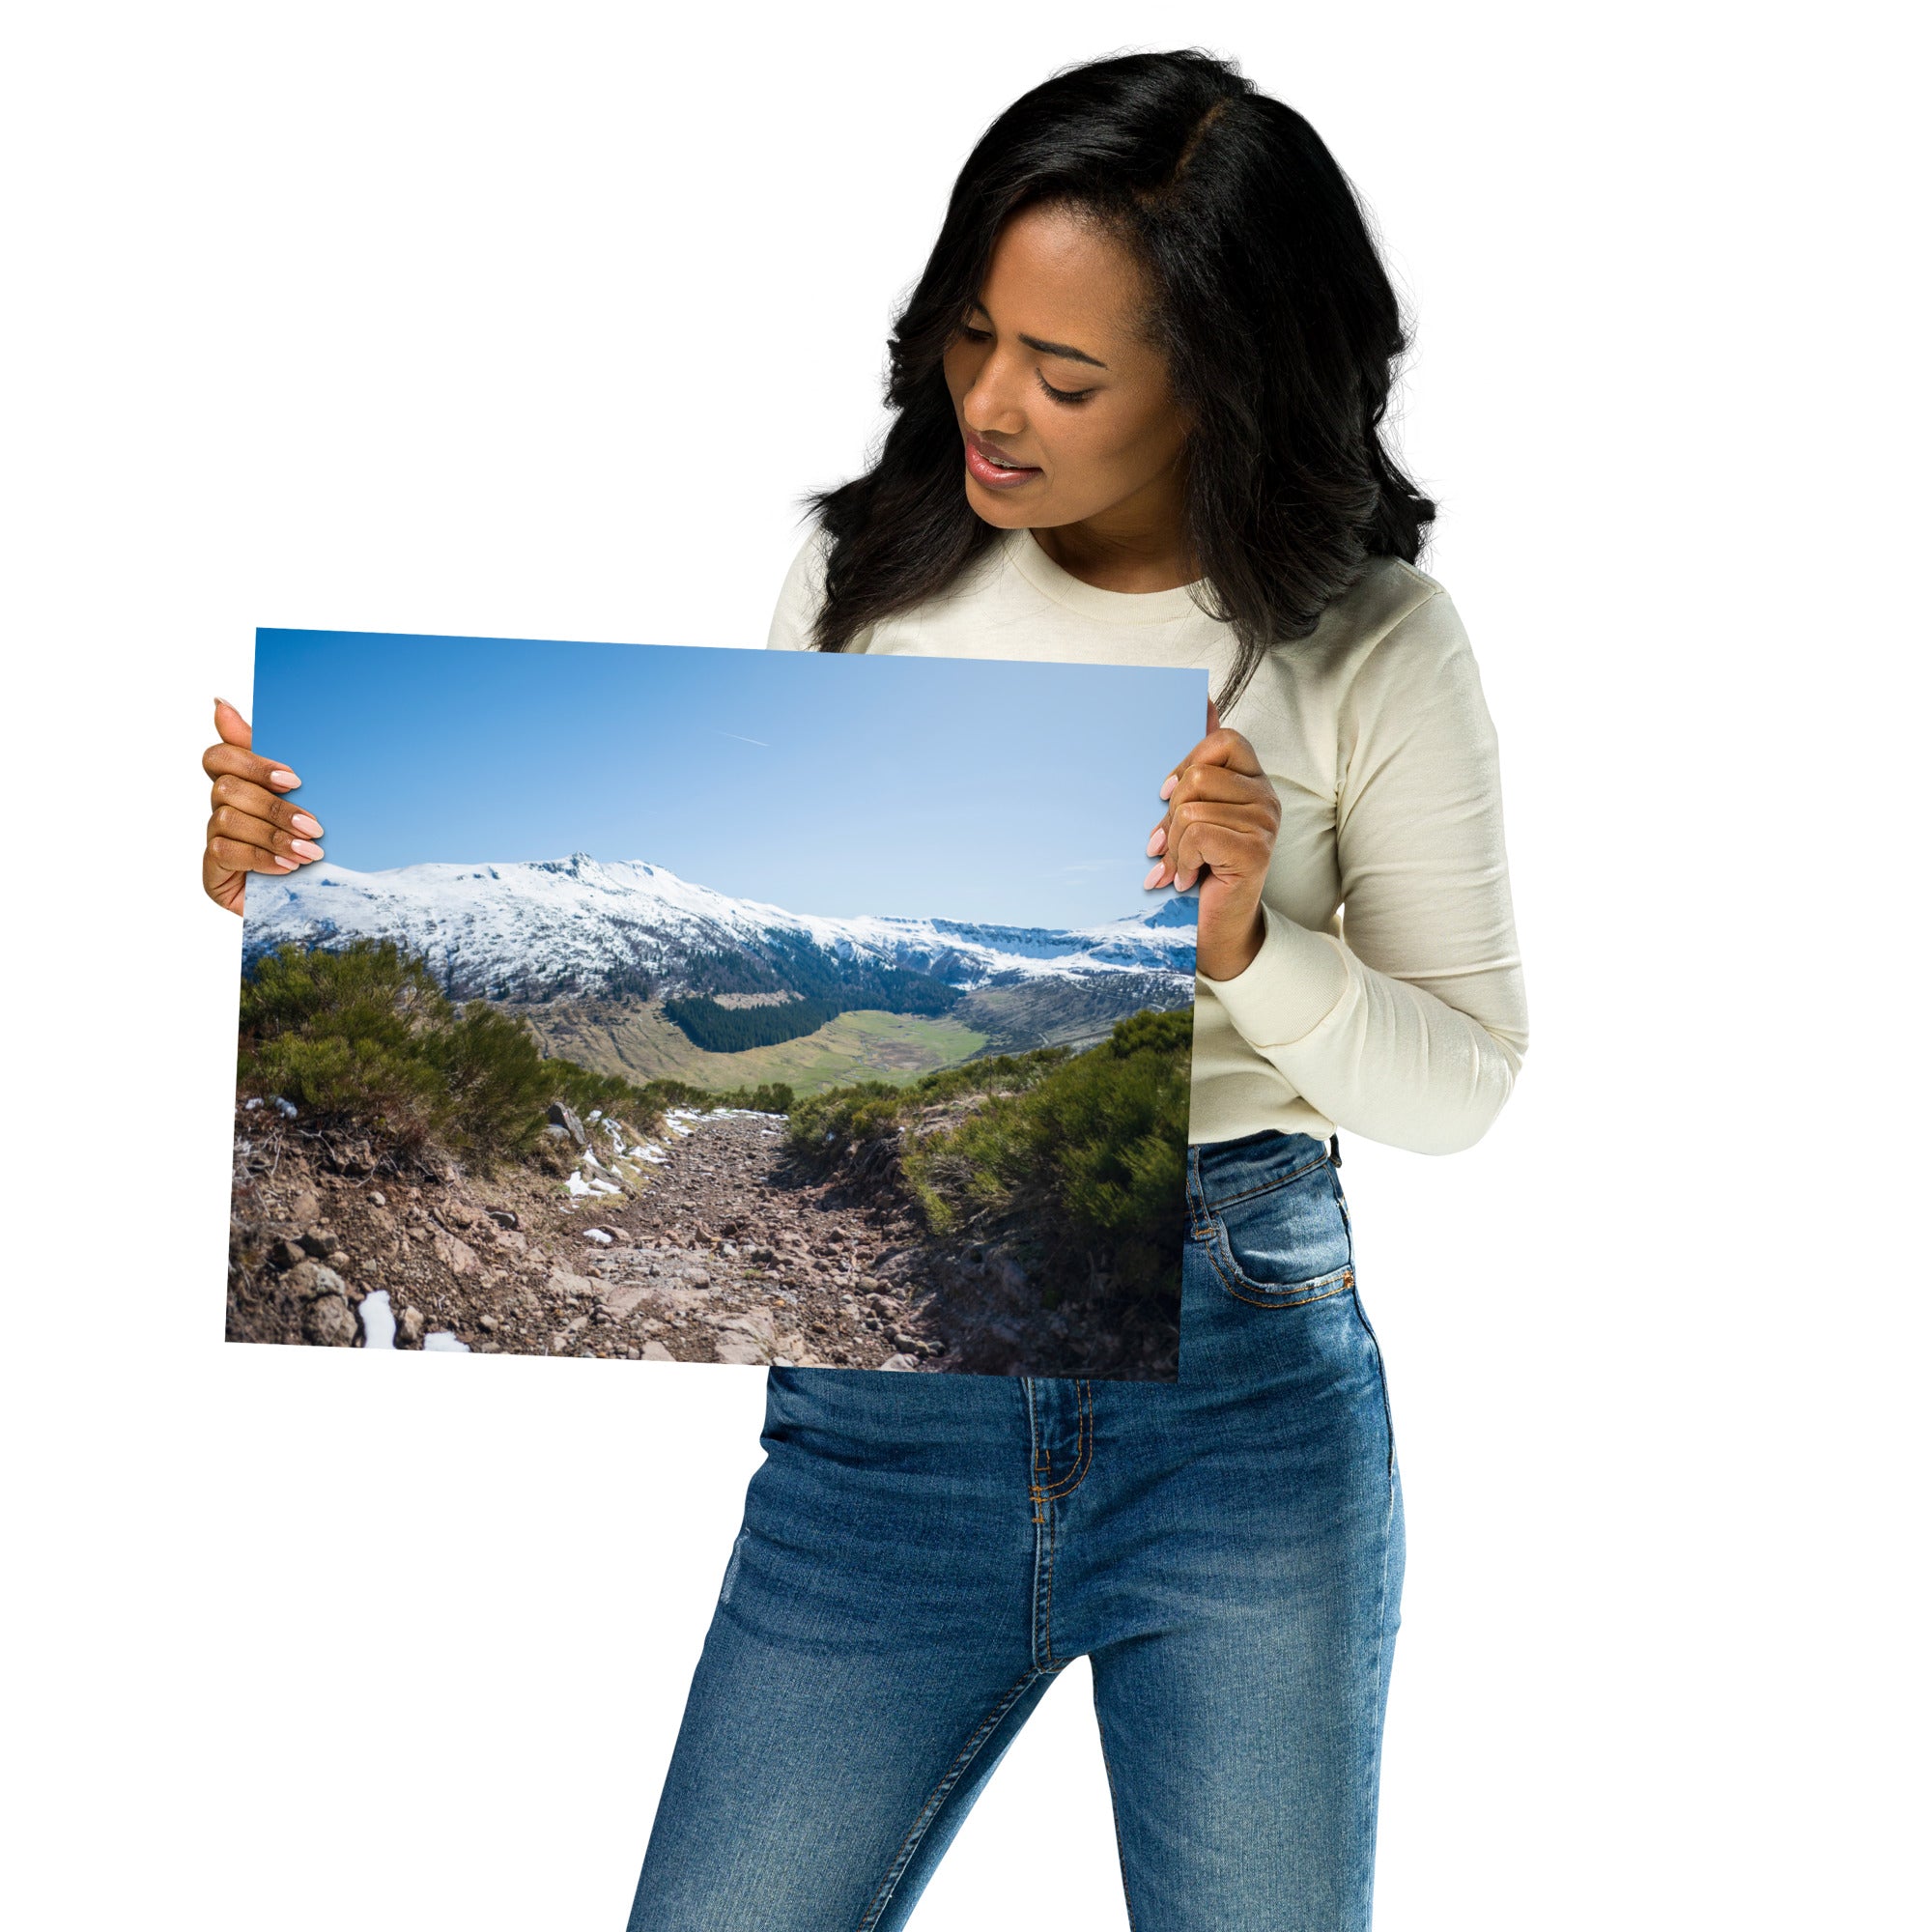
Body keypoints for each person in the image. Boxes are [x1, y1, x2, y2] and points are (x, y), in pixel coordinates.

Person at [200, 48, 1528, 1932]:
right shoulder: (861, 573)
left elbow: (1464, 1083)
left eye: (1065, 375)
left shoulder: (1372, 640)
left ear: (1223, 379)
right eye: (971, 335)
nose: (991, 402)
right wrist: (311, 888)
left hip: (1238, 1403)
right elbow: (732, 915)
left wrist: (1248, 943)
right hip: (879, 1442)